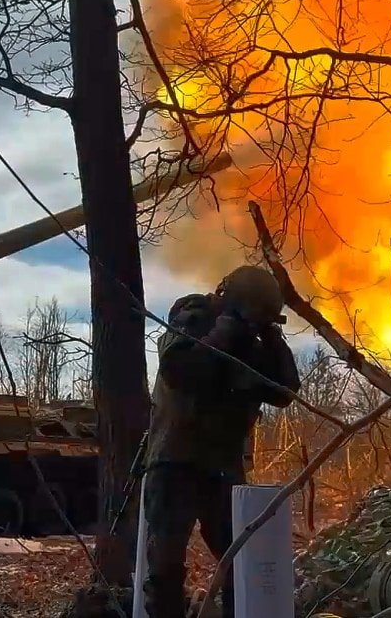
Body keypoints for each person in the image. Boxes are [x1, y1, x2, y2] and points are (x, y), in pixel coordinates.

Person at [142, 265, 302, 618]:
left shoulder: (250, 345)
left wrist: (272, 339)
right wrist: (225, 330)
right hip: (177, 462)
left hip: (222, 468)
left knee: (240, 560)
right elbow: (180, 371)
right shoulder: (194, 318)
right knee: (166, 562)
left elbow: (285, 391)